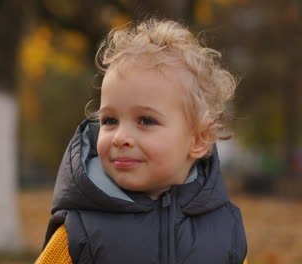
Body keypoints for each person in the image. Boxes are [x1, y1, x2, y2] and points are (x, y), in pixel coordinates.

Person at [35, 18, 247, 264]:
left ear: (199, 140)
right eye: (109, 120)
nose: (120, 137)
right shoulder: (81, 231)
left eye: (146, 121)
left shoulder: (224, 229)